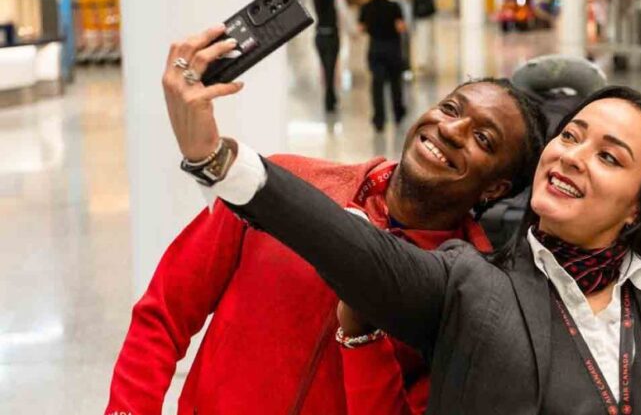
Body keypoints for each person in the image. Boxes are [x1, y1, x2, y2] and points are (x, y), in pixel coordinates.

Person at [162, 46, 641, 412]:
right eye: (570, 136)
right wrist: (216, 157)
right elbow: (345, 242)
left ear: (639, 206)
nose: (573, 154)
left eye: (609, 155)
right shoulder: (470, 281)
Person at [105, 24, 547, 415]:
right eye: (451, 109)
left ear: (496, 189)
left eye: (483, 138)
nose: (451, 129)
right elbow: (164, 312)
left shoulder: (469, 293)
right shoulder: (284, 187)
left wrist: (363, 333)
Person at [359, 0, 407, 132]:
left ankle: (379, 119)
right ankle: (398, 114)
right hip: (392, 49)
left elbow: (361, 28)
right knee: (395, 84)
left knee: (377, 85)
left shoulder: (367, 7)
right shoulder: (394, 6)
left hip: (376, 48)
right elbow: (400, 27)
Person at [313, 0, 341, 112]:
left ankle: (331, 97)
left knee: (326, 68)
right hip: (331, 36)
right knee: (330, 69)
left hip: (320, 37)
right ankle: (329, 100)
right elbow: (341, 15)